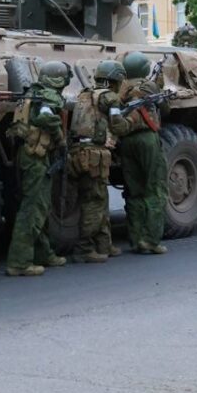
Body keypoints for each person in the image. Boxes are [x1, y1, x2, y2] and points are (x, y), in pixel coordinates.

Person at [6, 61, 70, 276]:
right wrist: (61, 140)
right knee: (32, 209)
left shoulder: (33, 92)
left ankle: (43, 253)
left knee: (40, 207)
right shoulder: (46, 97)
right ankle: (19, 262)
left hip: (30, 156)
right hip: (35, 157)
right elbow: (45, 117)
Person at [68, 61, 132, 263]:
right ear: (116, 80)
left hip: (79, 152)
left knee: (100, 199)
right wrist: (130, 121)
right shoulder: (110, 98)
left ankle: (104, 245)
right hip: (94, 154)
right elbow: (118, 125)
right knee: (95, 202)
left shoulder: (85, 94)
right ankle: (84, 249)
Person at [116, 52, 168, 255]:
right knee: (155, 189)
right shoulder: (149, 86)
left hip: (126, 139)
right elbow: (166, 108)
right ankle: (151, 240)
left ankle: (136, 239)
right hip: (147, 138)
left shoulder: (121, 87)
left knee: (134, 190)